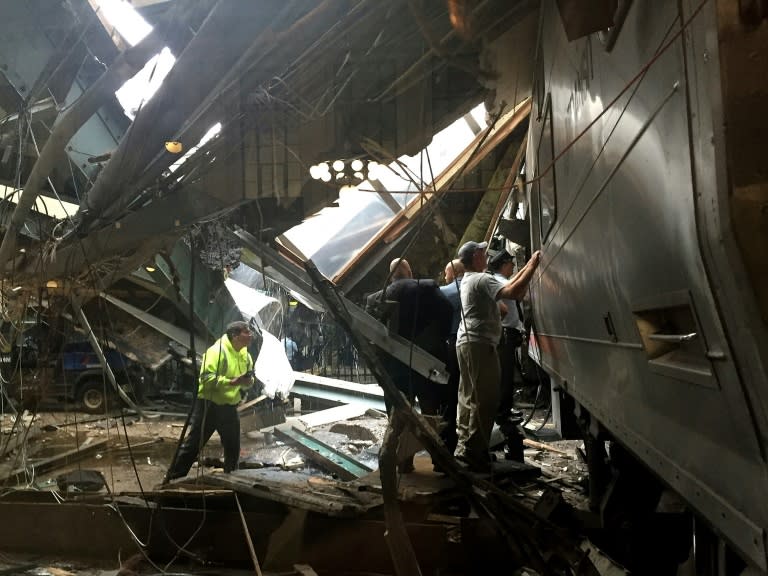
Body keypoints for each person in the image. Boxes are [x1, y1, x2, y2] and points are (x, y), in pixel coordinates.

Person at [454, 240, 541, 472]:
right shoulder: (482, 278)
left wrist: (526, 267)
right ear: (475, 258)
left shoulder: (469, 279)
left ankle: (464, 448)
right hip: (480, 345)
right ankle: (475, 453)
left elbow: (510, 292)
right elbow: (514, 292)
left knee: (468, 397)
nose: (486, 257)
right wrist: (533, 265)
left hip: (467, 343)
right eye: (483, 253)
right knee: (486, 400)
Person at [380, 257, 452, 472]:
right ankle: (439, 462)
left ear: (391, 275)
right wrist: (436, 340)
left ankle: (403, 464)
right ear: (409, 271)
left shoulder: (379, 297)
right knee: (431, 411)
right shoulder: (427, 288)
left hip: (394, 368)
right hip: (425, 365)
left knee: (398, 415)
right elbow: (447, 310)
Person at [167, 321, 255, 480]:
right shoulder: (216, 352)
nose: (251, 335)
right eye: (246, 332)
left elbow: (248, 379)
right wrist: (231, 382)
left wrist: (248, 382)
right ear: (235, 336)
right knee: (193, 446)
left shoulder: (245, 354)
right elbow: (206, 379)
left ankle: (231, 479)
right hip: (209, 406)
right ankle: (172, 479)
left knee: (233, 447)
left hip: (229, 406)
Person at [487, 249, 525, 424]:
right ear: (503, 265)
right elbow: (517, 293)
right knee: (505, 375)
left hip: (508, 332)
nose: (513, 267)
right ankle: (502, 413)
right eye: (511, 264)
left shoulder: (502, 280)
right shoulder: (499, 281)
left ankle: (505, 410)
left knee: (507, 374)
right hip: (505, 332)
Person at [438, 258, 465, 456]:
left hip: (453, 342)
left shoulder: (449, 291)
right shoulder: (476, 285)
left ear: (452, 273)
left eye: (446, 273)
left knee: (450, 393)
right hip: (476, 343)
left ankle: (447, 445)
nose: (444, 276)